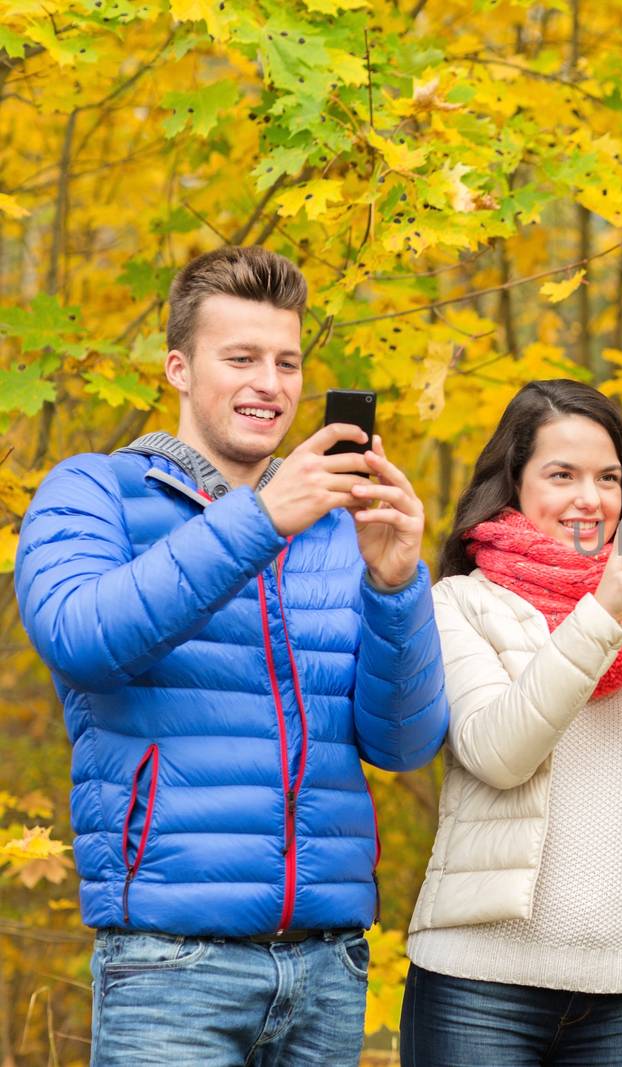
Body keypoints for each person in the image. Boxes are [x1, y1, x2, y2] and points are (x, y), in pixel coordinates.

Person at [14, 245, 450, 1064]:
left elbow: (404, 742)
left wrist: (395, 585)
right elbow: (82, 637)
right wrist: (259, 520)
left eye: (287, 362)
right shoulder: (92, 490)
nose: (271, 384)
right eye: (241, 358)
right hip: (169, 963)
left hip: (327, 962)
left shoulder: (334, 525)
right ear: (178, 367)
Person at [399, 379, 622, 1066]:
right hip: (479, 983)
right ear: (513, 484)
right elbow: (498, 751)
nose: (590, 498)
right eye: (562, 475)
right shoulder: (462, 602)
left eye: (609, 478)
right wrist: (607, 604)